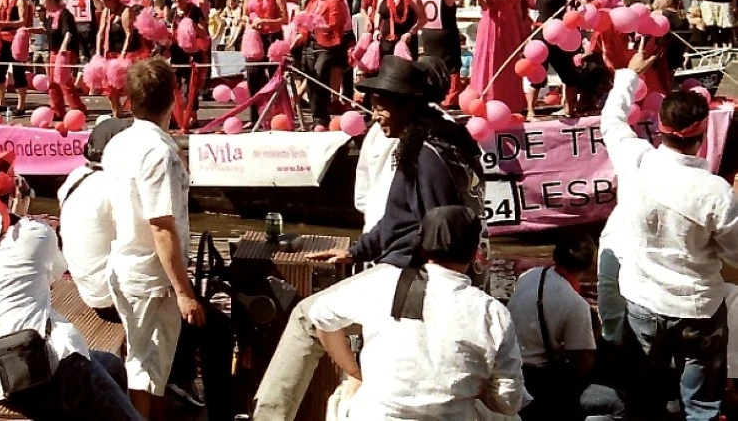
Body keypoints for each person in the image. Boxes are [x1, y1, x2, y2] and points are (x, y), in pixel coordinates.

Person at [254, 57, 486, 421]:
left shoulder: (424, 155)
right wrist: (355, 250)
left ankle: (270, 417)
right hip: (425, 271)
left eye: (381, 107)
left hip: (412, 277)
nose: (375, 115)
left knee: (307, 316)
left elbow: (437, 230)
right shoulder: (446, 141)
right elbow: (402, 220)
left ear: (407, 105)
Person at [0, 147, 141, 420]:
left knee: (112, 365)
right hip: (55, 369)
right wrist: (22, 215)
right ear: (15, 192)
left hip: (3, 378)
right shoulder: (35, 234)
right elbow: (55, 273)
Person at [601, 43, 738, 420]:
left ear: (660, 126)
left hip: (643, 303)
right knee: (702, 407)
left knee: (644, 402)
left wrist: (629, 74)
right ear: (702, 134)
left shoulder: (636, 160)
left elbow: (611, 121)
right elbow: (735, 254)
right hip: (697, 310)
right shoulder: (715, 192)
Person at [103, 59, 233, 421]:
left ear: (130, 100)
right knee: (146, 371)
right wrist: (184, 291)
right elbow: (161, 225)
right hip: (151, 278)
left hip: (125, 264)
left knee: (147, 364)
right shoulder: (160, 153)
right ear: (174, 98)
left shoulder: (118, 143)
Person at [309, 206, 525, 420]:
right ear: (476, 253)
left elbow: (320, 314)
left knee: (345, 394)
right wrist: (476, 388)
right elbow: (508, 403)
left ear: (420, 247)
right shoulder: (491, 312)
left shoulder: (382, 282)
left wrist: (356, 373)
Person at [508, 233, 624, 421]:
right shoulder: (574, 304)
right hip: (540, 385)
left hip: (513, 370)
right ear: (590, 265)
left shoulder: (529, 276)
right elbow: (582, 366)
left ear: (555, 256)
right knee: (618, 403)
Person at [58, 118, 131, 319]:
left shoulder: (76, 176)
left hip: (90, 291)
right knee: (214, 326)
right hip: (114, 300)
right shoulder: (116, 186)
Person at [526, 0, 587, 120]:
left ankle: (570, 109)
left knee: (570, 75)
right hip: (542, 36)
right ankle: (530, 111)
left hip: (560, 37)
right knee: (538, 75)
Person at [470, 0, 531, 113]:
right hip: (492, 23)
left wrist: (521, 29)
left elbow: (518, 6)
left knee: (509, 62)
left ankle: (510, 102)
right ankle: (488, 100)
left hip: (510, 25)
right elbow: (485, 7)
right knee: (491, 60)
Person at [295, 0, 347, 130]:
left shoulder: (335, 2)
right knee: (311, 80)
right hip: (310, 43)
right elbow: (305, 23)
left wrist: (319, 25)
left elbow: (336, 24)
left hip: (326, 45)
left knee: (319, 77)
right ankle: (318, 117)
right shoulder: (312, 2)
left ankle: (321, 117)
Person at [417, 0, 473, 108]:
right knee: (452, 66)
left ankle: (433, 94)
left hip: (428, 33)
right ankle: (450, 98)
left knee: (432, 64)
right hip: (445, 33)